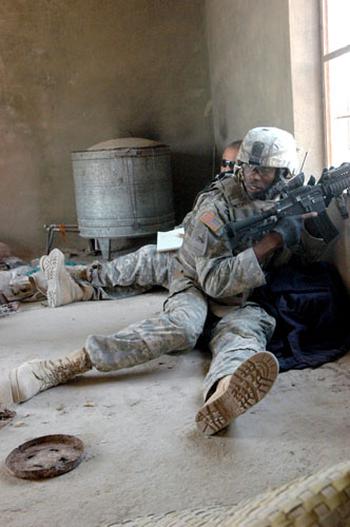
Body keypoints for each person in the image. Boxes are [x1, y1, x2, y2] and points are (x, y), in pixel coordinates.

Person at [1, 127, 326, 437]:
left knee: (245, 333)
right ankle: (65, 364)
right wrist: (271, 241)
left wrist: (309, 226)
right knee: (181, 322)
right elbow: (212, 281)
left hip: (246, 294)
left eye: (264, 170)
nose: (253, 175)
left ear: (283, 172)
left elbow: (306, 256)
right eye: (248, 166)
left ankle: (224, 391)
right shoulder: (214, 207)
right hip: (196, 280)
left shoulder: (285, 197)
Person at [6, 141, 242, 307]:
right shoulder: (214, 193)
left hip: (201, 268)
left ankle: (73, 276)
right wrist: (170, 240)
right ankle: (63, 288)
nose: (228, 171)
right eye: (225, 164)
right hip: (186, 253)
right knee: (137, 273)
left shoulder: (243, 202)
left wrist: (176, 244)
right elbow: (189, 231)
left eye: (235, 166)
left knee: (144, 261)